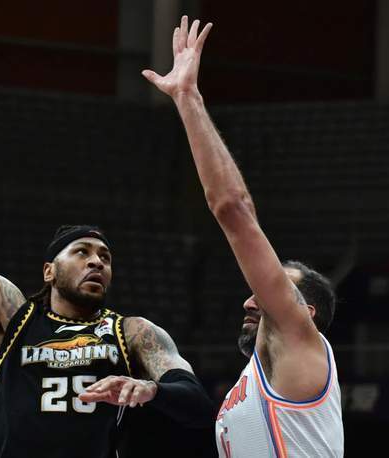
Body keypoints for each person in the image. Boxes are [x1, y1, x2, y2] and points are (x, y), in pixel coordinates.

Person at [0, 19, 212, 458]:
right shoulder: (10, 314)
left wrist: (151, 389)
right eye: (81, 252)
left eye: (105, 256)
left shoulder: (133, 333)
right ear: (49, 270)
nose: (97, 262)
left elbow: (198, 405)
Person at [144, 16, 344, 457]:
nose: (250, 299)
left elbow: (232, 209)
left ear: (304, 312)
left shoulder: (298, 337)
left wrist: (188, 97)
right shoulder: (257, 378)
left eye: (268, 290)